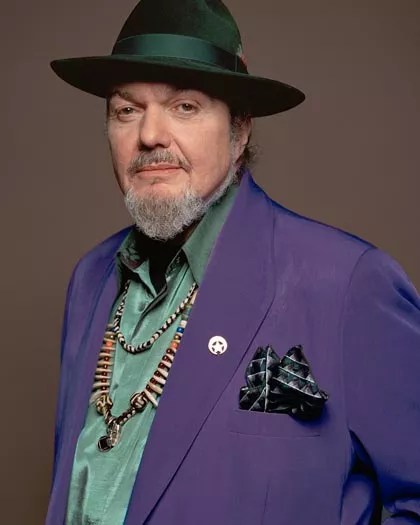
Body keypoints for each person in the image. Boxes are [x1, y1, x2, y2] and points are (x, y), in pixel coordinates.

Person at [46, 1, 420, 524]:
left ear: (240, 130)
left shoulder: (348, 284)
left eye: (184, 106)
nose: (149, 135)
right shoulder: (90, 280)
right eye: (126, 110)